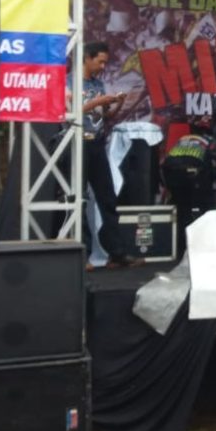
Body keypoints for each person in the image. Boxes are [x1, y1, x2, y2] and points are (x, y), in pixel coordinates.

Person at [74, 41, 140, 268]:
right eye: (100, 62)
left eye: (105, 63)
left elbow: (104, 116)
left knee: (108, 198)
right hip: (77, 142)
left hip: (97, 143)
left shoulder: (98, 84)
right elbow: (68, 112)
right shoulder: (70, 81)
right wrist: (97, 101)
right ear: (87, 58)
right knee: (79, 198)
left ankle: (117, 253)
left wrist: (116, 104)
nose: (102, 67)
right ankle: (82, 254)